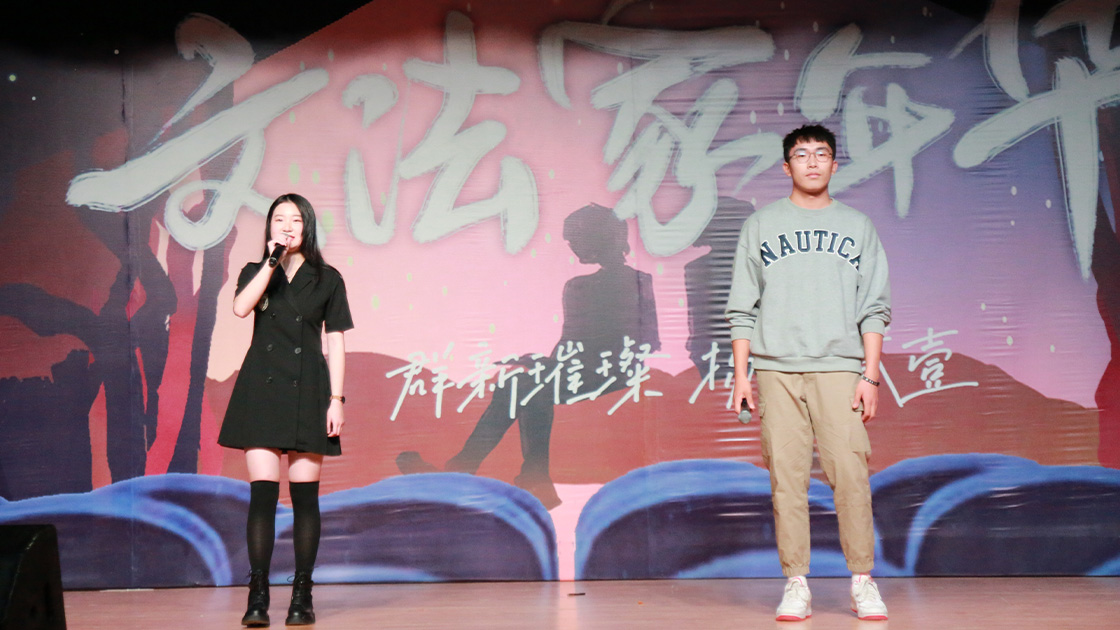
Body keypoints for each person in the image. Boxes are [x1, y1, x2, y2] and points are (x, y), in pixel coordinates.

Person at [725, 125, 891, 621]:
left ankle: (862, 580)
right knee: (787, 480)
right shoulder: (761, 225)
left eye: (822, 154)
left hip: (839, 369)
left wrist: (870, 375)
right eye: (802, 155)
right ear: (786, 167)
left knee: (851, 476)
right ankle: (796, 583)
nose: (813, 162)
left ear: (835, 165)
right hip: (776, 370)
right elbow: (742, 307)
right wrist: (742, 375)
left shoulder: (857, 226)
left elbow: (874, 307)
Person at [397, 203, 659, 509]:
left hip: (612, 371)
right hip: (597, 369)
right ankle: (527, 478)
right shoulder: (610, 283)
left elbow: (641, 342)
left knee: (524, 385)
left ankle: (478, 471)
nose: (573, 247)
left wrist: (553, 365)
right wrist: (547, 364)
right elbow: (578, 343)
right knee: (521, 384)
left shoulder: (593, 286)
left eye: (576, 239)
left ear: (597, 238)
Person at [218, 193, 353, 627]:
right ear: (270, 227)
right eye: (280, 219)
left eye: (296, 219)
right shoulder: (255, 271)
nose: (288, 226)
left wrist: (336, 399)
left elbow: (336, 341)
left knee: (304, 499)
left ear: (307, 227)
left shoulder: (327, 278)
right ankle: (257, 595)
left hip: (309, 390)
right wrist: (271, 262)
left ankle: (302, 595)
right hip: (262, 389)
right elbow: (241, 308)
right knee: (262, 496)